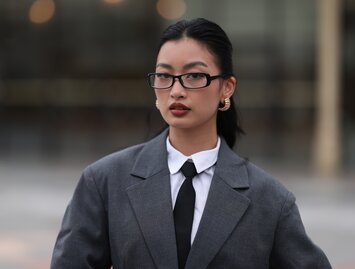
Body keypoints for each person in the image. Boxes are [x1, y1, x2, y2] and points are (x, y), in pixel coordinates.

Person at [51, 18, 332, 269]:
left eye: (194, 76)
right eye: (164, 76)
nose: (176, 91)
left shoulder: (270, 200)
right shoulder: (104, 182)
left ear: (227, 87)